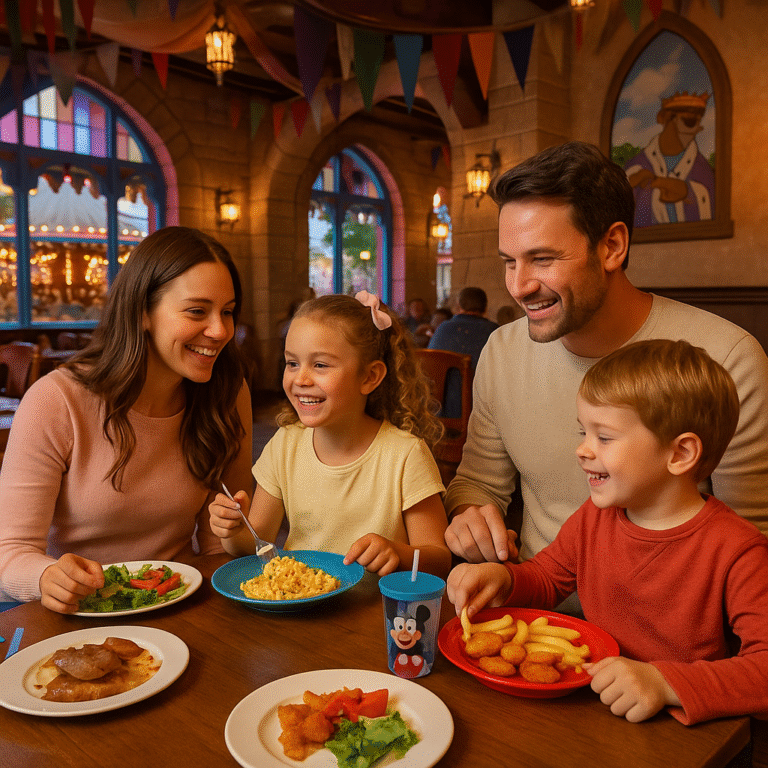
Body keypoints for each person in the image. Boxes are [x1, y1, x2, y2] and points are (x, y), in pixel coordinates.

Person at [444, 141, 768, 574]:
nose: (518, 286)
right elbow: (479, 483)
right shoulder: (502, 351)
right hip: (535, 609)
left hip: (668, 632)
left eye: (542, 259)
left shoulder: (726, 358)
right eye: (509, 262)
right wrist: (469, 517)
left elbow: (751, 539)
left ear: (612, 246)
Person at [447, 339, 768, 726]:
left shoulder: (739, 550)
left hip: (683, 732)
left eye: (605, 437)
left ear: (680, 454)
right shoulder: (594, 518)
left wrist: (665, 682)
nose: (582, 450)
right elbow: (548, 579)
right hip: (590, 709)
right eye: (583, 432)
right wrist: (503, 577)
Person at [0, 227, 254, 612]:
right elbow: (11, 552)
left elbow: (222, 545)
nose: (220, 331)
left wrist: (238, 537)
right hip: (76, 614)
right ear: (142, 313)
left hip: (181, 605)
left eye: (228, 312)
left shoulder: (228, 394)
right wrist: (46, 576)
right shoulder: (57, 400)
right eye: (197, 311)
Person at [209, 291, 452, 578]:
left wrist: (397, 553)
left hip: (373, 612)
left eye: (320, 365)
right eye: (292, 363)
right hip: (298, 608)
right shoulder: (285, 445)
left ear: (369, 377)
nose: (300, 379)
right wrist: (234, 531)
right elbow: (256, 545)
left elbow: (439, 559)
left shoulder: (405, 455)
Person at [624, 91, 714, 227]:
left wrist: (687, 191)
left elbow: (709, 201)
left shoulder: (702, 168)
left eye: (697, 123)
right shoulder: (638, 164)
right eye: (689, 122)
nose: (695, 130)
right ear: (669, 119)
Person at [428, 287, 498, 369]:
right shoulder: (493, 331)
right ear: (485, 307)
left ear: (459, 305)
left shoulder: (443, 327)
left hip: (441, 381)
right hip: (478, 382)